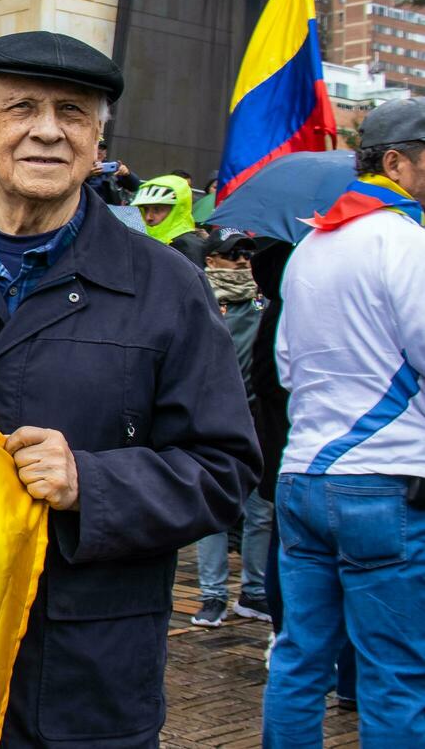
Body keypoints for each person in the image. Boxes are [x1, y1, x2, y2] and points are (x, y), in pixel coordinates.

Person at [0, 30, 260, 748]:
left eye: (73, 113)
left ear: (97, 141)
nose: (48, 130)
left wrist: (94, 480)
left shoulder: (166, 285)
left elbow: (225, 468)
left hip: (85, 675)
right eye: (23, 108)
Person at [263, 98, 425, 748]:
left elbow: (285, 368)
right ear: (396, 162)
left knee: (300, 660)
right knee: (397, 673)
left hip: (303, 477)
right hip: (384, 481)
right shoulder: (407, 242)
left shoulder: (311, 247)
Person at [190, 231, 273, 628]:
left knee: (260, 512)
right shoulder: (194, 297)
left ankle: (253, 590)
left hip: (260, 420)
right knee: (215, 510)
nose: (241, 261)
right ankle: (212, 595)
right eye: (231, 254)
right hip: (211, 420)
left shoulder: (264, 301)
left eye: (245, 254)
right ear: (212, 260)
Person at [133, 174, 207, 267]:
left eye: (157, 209)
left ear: (177, 210)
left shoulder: (187, 246)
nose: (148, 217)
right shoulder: (149, 240)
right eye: (146, 209)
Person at [87, 138, 139, 205]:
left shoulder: (113, 169)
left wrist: (128, 175)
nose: (99, 151)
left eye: (102, 149)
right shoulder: (79, 168)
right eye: (96, 148)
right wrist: (87, 175)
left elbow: (135, 187)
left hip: (109, 209)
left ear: (105, 154)